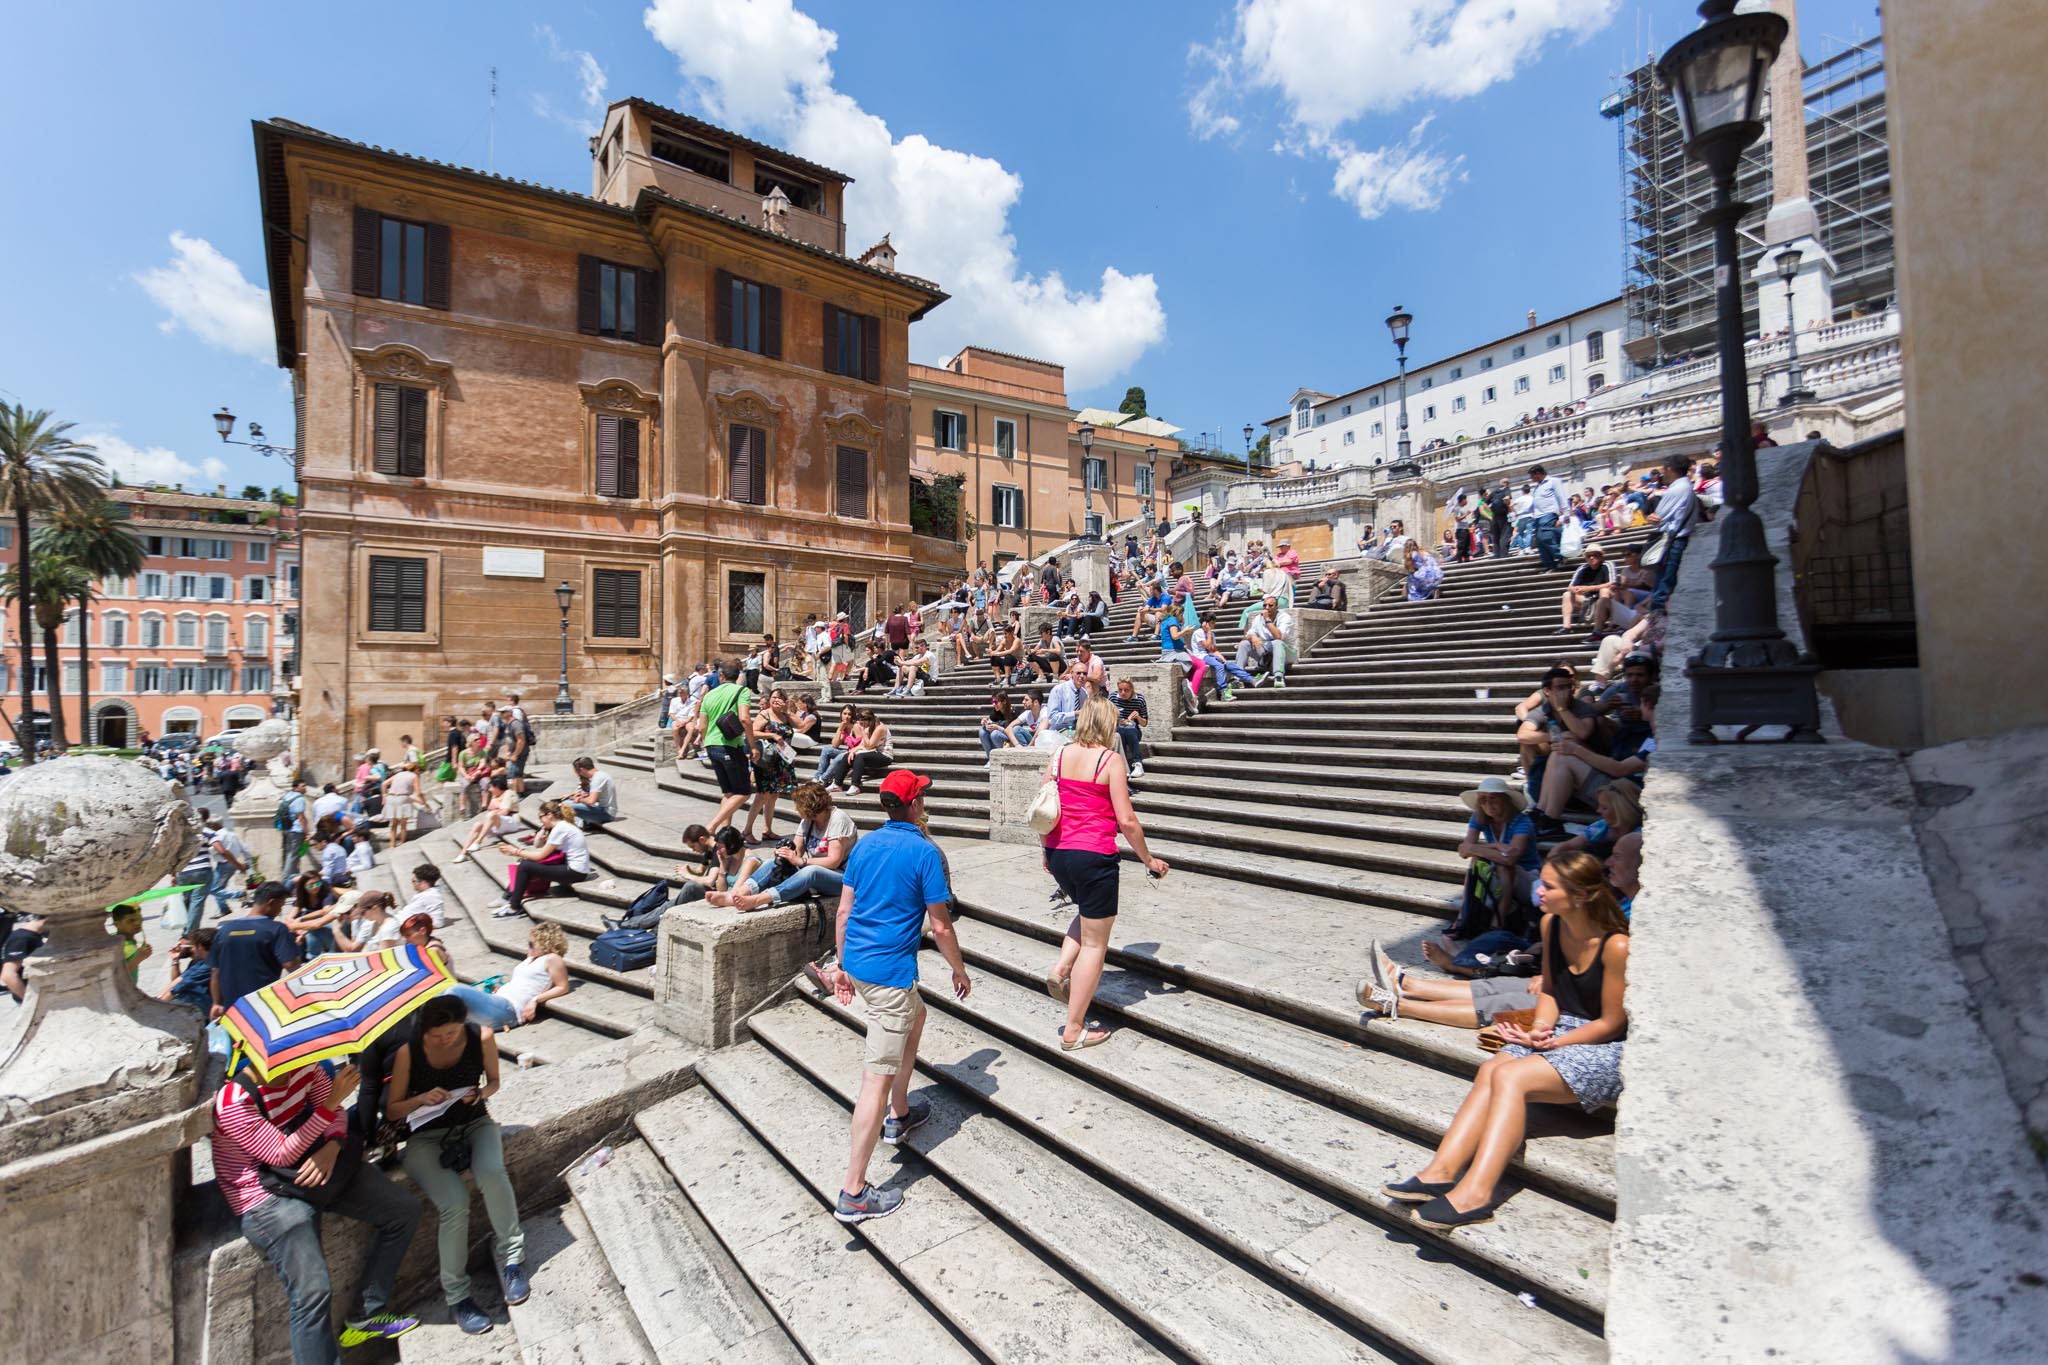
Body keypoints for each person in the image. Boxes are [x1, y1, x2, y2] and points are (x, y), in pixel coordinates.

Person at [1385, 851, 1630, 1230]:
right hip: (1561, 1029)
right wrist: (1539, 1029)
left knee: (1510, 1077)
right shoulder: (1552, 924)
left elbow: (1612, 1023)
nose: (1538, 891)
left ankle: (1477, 1195)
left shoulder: (1616, 946)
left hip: (1604, 1047)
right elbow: (1551, 991)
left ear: (1580, 895)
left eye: (1549, 886)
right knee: (1493, 1068)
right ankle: (1441, 1172)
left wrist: (1555, 1043)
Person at [817, 771, 970, 1223]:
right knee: (874, 1082)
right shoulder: (923, 852)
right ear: (916, 804)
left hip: (862, 966)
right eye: (922, 795)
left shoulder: (865, 845)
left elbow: (844, 911)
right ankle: (854, 1191)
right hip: (889, 977)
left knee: (916, 1017)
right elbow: (941, 925)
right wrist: (958, 969)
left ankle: (900, 1114)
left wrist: (842, 965)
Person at [212, 1056, 422, 1359]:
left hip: (313, 1166)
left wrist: (333, 1145)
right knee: (312, 1292)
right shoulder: (234, 1102)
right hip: (262, 1193)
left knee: (403, 1211)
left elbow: (337, 1115)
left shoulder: (304, 1066)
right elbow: (280, 1153)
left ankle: (367, 1312)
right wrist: (331, 1105)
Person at [385, 994, 528, 1336]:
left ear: (463, 1025)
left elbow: (494, 1082)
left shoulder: (482, 1037)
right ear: (424, 1031)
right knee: (454, 1202)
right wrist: (421, 1099)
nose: (445, 1040)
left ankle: (513, 1258)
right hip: (426, 1136)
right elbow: (392, 1110)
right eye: (436, 1036)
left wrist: (479, 1095)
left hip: (474, 1122)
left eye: (451, 1033)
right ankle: (458, 1296)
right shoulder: (409, 1052)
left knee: (492, 1173)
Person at [1040, 697, 1170, 1050]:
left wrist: (1045, 850)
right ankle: (1073, 1029)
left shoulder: (1060, 755)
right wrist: (1148, 859)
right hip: (1094, 855)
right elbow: (1126, 820)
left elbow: (1043, 807)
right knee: (1096, 944)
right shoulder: (1109, 760)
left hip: (1060, 851)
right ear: (1106, 724)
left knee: (1086, 912)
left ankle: (1061, 968)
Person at [713, 782, 860, 911]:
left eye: (798, 805)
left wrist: (801, 861)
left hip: (843, 878)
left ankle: (759, 900)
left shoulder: (838, 819)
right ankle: (737, 894)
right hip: (818, 872)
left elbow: (834, 861)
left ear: (809, 806)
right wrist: (785, 853)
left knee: (811, 871)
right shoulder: (808, 820)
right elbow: (796, 850)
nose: (796, 809)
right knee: (771, 863)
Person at [446, 923, 572, 1029]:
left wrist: (535, 1000)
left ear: (545, 944)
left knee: (457, 990)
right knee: (449, 999)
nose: (528, 947)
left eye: (531, 944)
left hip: (510, 1009)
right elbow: (522, 984)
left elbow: (563, 987)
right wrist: (501, 988)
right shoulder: (530, 959)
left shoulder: (552, 958)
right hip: (498, 1001)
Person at [210, 883, 301, 1022]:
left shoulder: (225, 930)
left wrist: (217, 1003)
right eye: (281, 906)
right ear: (272, 903)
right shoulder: (276, 929)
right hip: (263, 1005)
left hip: (232, 1008)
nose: (280, 910)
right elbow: (291, 965)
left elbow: (215, 971)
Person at [489, 802, 593, 919]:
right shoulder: (561, 827)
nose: (540, 821)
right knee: (527, 862)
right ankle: (508, 897)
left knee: (525, 866)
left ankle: (514, 907)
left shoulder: (560, 829)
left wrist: (515, 851)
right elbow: (539, 846)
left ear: (549, 815)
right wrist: (542, 833)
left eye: (540, 817)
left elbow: (540, 856)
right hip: (573, 869)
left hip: (575, 872)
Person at [698, 662, 756, 834]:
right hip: (731, 746)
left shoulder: (709, 695)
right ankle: (712, 826)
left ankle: (725, 832)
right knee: (744, 792)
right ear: (738, 676)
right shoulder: (742, 691)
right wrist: (753, 746)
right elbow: (745, 719)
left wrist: (707, 740)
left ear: (721, 676)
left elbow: (702, 726)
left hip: (711, 745)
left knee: (729, 793)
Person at [1645, 453, 1699, 611]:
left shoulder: (1677, 489)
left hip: (1672, 541)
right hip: (1675, 540)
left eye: (1663, 469)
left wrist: (1650, 517)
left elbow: (1657, 516)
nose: (1662, 473)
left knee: (1663, 588)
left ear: (1669, 469)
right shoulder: (1685, 487)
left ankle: (1658, 621)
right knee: (1663, 585)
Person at [453, 776, 522, 864]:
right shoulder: (495, 795)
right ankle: (462, 853)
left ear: (497, 787)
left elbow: (504, 811)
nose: (489, 790)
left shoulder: (509, 793)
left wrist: (490, 816)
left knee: (491, 815)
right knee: (477, 825)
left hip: (511, 821)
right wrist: (490, 817)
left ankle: (478, 841)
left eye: (491, 787)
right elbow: (491, 809)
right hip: (499, 822)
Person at [203, 815, 251, 919]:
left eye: (209, 825)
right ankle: (223, 909)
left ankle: (240, 894)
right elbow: (245, 848)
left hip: (224, 864)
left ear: (213, 825)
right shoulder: (232, 834)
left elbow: (215, 850)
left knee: (213, 889)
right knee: (220, 887)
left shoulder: (217, 836)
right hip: (232, 863)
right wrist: (248, 861)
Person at [1557, 546, 1610, 633]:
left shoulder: (1607, 565)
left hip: (1603, 601)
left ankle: (1599, 628)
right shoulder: (1582, 568)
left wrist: (1589, 588)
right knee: (1567, 594)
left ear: (1601, 556)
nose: (1592, 558)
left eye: (1595, 555)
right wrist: (1576, 589)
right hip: (1587, 601)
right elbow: (1570, 587)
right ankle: (1566, 627)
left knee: (1605, 591)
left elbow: (1612, 584)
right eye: (1589, 556)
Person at [1528, 463, 1569, 571]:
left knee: (1545, 537)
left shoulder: (1553, 481)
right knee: (1540, 542)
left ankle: (1561, 555)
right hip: (1537, 517)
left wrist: (1566, 514)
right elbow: (1535, 504)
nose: (1531, 479)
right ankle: (1550, 565)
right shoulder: (1537, 487)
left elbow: (1561, 497)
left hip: (1549, 514)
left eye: (1532, 476)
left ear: (1538, 473)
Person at [842, 710, 894, 795]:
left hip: (885, 756)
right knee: (847, 755)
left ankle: (855, 785)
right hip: (874, 752)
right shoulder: (868, 728)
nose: (862, 725)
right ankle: (837, 784)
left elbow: (869, 745)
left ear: (869, 720)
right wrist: (853, 751)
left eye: (863, 723)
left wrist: (863, 731)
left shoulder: (880, 728)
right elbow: (863, 745)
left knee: (860, 756)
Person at [3, 912, 47, 1003]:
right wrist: (28, 1000)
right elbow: (8, 975)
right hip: (28, 999)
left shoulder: (33, 935)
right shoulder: (21, 938)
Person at [1111, 676, 1150, 777]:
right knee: (1121, 730)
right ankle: (1123, 765)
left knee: (1129, 730)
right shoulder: (1113, 697)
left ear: (1132, 689)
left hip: (1134, 730)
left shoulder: (1139, 699)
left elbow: (1144, 723)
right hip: (1117, 728)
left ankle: (1137, 763)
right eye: (1120, 690)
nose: (1123, 693)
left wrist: (1138, 717)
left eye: (1126, 690)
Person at [565, 756, 618, 827]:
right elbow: (597, 797)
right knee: (568, 802)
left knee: (566, 805)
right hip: (605, 810)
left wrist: (579, 799)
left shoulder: (597, 779)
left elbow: (591, 801)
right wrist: (584, 796)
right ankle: (582, 823)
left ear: (582, 769)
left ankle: (579, 824)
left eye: (577, 771)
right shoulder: (600, 775)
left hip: (606, 813)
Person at [110, 903, 151, 983]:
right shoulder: (116, 945)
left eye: (139, 919)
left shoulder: (132, 942)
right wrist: (138, 958)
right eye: (131, 921)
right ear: (117, 924)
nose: (137, 923)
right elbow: (116, 975)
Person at [401, 864, 448, 929]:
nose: (412, 883)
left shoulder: (432, 896)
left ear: (423, 883)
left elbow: (438, 923)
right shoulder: (427, 894)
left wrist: (413, 927)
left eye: (414, 881)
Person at [1044, 663, 1085, 735]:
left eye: (1085, 674)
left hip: (1078, 729)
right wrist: (1074, 714)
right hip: (1060, 729)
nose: (1082, 676)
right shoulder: (1059, 690)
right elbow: (1052, 718)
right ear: (1071, 673)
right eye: (1078, 673)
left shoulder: (1084, 693)